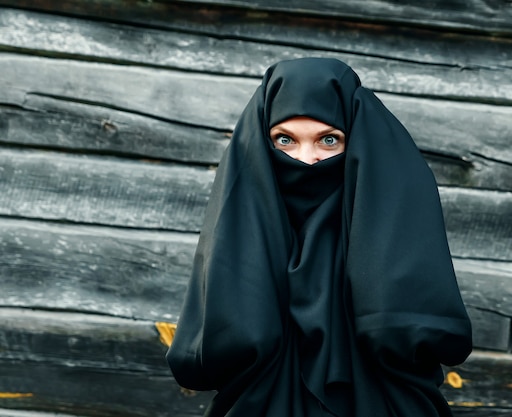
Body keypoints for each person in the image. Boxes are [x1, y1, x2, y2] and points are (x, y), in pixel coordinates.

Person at [166, 57, 472, 417]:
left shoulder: (384, 224)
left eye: (328, 140)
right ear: (262, 145)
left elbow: (415, 324)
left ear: (356, 142)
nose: (306, 160)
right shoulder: (244, 224)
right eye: (285, 140)